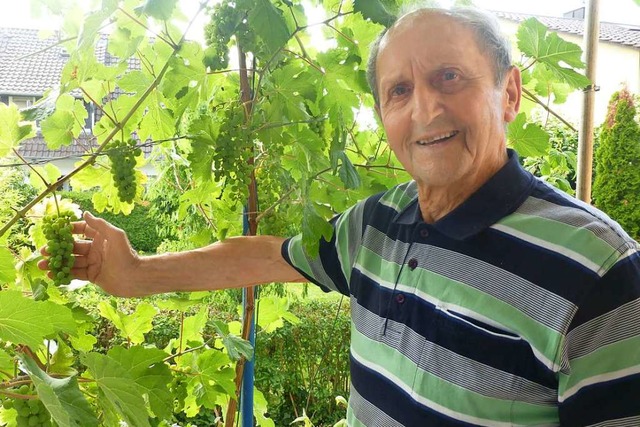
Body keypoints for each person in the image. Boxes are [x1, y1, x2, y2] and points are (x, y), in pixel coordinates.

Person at [40, 6, 640, 427]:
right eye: (398, 91)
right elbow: (267, 255)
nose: (424, 108)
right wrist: (136, 273)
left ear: (508, 93)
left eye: (448, 78)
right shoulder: (375, 224)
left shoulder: (598, 270)